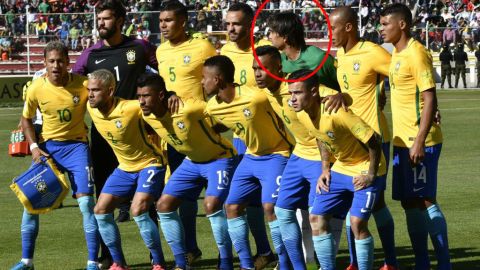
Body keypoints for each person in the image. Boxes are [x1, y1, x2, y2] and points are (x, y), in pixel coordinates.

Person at [73, 0, 159, 266]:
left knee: (147, 204)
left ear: (120, 20)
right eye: (99, 19)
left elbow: (162, 75)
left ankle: (155, 258)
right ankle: (110, 258)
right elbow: (72, 86)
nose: (101, 23)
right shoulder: (90, 55)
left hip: (138, 132)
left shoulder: (140, 47)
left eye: (107, 18)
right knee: (103, 199)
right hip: (104, 136)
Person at [12, 41, 100, 270]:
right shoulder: (36, 87)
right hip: (48, 150)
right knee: (30, 202)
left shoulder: (83, 85)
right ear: (44, 63)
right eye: (51, 61)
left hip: (77, 149)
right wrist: (33, 146)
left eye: (60, 60)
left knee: (86, 204)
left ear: (68, 62)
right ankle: (26, 261)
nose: (56, 65)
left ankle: (92, 262)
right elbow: (26, 119)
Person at [137, 73, 236, 270]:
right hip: (191, 162)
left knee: (211, 205)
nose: (141, 101)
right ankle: (182, 263)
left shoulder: (189, 108)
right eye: (139, 96)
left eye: (146, 96)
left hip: (220, 158)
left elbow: (223, 109)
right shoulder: (145, 115)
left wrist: (216, 127)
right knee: (164, 205)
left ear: (161, 96)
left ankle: (225, 263)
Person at [290, 69, 386, 270]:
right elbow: (320, 137)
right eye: (291, 93)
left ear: (314, 91)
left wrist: (370, 174)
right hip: (341, 167)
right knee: (315, 218)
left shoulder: (336, 112)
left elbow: (374, 140)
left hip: (364, 168)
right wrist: (325, 169)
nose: (292, 99)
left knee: (357, 223)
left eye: (297, 93)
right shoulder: (303, 114)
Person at [203, 55, 294, 270]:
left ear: (217, 79)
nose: (201, 82)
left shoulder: (256, 98)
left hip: (277, 154)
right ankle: (246, 265)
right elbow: (223, 122)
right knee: (231, 206)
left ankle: (284, 262)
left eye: (204, 78)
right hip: (251, 157)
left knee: (271, 207)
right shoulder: (212, 106)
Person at [380, 3, 451, 270]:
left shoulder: (417, 52)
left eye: (386, 23)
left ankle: (444, 264)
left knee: (425, 200)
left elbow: (428, 94)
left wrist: (420, 140)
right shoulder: (396, 55)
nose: (381, 28)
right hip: (401, 141)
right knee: (409, 202)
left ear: (402, 24)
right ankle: (422, 263)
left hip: (420, 141)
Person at [253, 45, 337, 270]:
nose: (258, 74)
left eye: (263, 69)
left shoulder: (295, 85)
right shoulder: (266, 92)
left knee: (317, 219)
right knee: (281, 211)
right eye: (255, 69)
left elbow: (327, 93)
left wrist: (340, 96)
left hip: (321, 157)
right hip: (298, 155)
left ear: (278, 68)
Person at [330, 6, 398, 270]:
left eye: (333, 28)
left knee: (366, 203)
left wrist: (383, 86)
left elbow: (401, 72)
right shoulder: (340, 54)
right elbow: (351, 91)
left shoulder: (371, 52)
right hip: (350, 139)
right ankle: (358, 262)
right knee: (368, 202)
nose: (330, 33)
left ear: (348, 27)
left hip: (373, 139)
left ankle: (384, 262)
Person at [87, 69, 167, 270]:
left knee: (138, 209)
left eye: (96, 90)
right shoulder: (91, 106)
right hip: (124, 168)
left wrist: (172, 95)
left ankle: (158, 263)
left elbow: (157, 102)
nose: (90, 94)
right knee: (100, 210)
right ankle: (119, 263)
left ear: (110, 90)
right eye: (89, 90)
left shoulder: (131, 107)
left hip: (150, 164)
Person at [155, 1, 217, 262]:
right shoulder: (160, 51)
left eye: (168, 20)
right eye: (161, 21)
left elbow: (216, 79)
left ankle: (243, 252)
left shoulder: (202, 46)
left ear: (182, 22)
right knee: (184, 195)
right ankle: (191, 249)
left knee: (220, 197)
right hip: (174, 133)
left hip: (203, 129)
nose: (163, 25)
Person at [221, 4, 276, 268]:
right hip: (241, 138)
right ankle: (264, 252)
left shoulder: (266, 49)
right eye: (228, 23)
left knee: (276, 205)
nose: (231, 29)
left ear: (251, 25)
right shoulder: (225, 51)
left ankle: (294, 256)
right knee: (246, 201)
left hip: (272, 139)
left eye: (237, 24)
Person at [267, 12, 340, 91]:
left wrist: (340, 96)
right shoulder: (279, 62)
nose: (269, 37)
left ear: (285, 37)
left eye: (271, 32)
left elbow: (345, 85)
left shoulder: (320, 58)